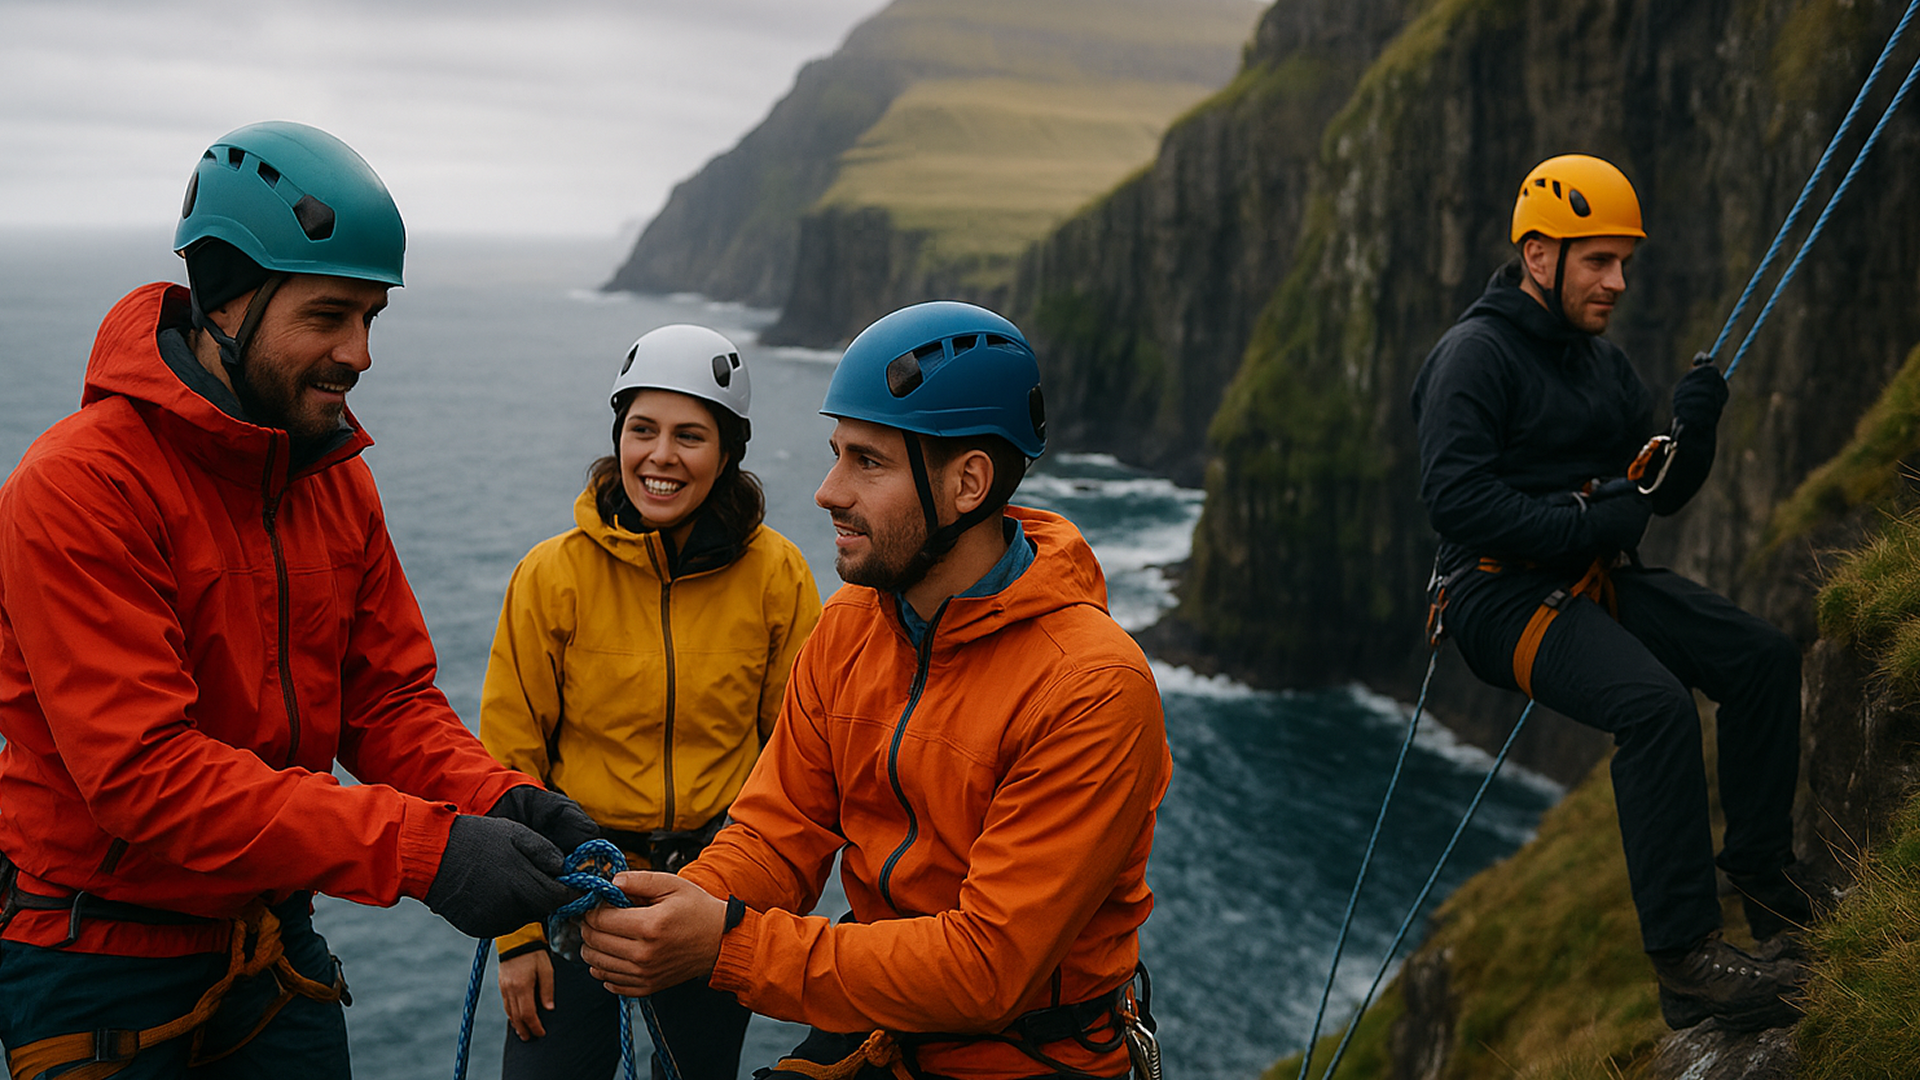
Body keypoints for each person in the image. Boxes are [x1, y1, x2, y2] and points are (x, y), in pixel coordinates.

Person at [0, 120, 596, 1079]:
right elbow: (145, 774)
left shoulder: (327, 476)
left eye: (371, 317)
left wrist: (508, 802)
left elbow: (386, 702)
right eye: (328, 316)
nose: (360, 354)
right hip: (96, 960)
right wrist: (425, 852)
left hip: (269, 943)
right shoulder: (80, 487)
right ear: (225, 304)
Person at [573, 301, 1171, 1080]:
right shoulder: (853, 623)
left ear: (968, 483)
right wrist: (672, 903)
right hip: (883, 1027)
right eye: (836, 455)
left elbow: (987, 966)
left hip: (1027, 1057)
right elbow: (778, 831)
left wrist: (726, 942)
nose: (827, 491)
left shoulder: (1092, 687)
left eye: (868, 462)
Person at [1409, 154, 1810, 1031]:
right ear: (1540, 256)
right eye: (1599, 260)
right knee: (1655, 708)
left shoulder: (1598, 363)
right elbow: (1458, 500)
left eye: (1623, 261)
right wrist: (1594, 518)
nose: (1618, 281)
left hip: (1582, 579)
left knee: (1762, 660)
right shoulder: (1473, 358)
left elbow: (1653, 492)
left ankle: (1765, 874)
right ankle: (1686, 962)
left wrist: (1692, 435)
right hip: (1492, 597)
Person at [479, 324, 822, 1080]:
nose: (660, 457)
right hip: (575, 882)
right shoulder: (551, 576)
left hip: (710, 887)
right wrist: (519, 939)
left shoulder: (778, 577)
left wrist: (755, 905)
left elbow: (797, 760)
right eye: (643, 429)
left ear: (728, 452)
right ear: (618, 436)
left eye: (690, 435)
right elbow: (507, 761)